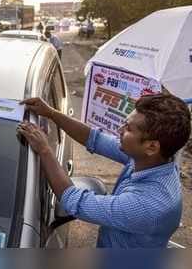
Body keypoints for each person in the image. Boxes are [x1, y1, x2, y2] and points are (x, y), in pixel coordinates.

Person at [18, 93, 191, 248]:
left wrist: (44, 149)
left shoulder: (148, 205)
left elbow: (73, 201)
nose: (120, 130)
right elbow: (94, 139)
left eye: (129, 129)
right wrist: (51, 113)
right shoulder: (153, 159)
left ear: (152, 146)